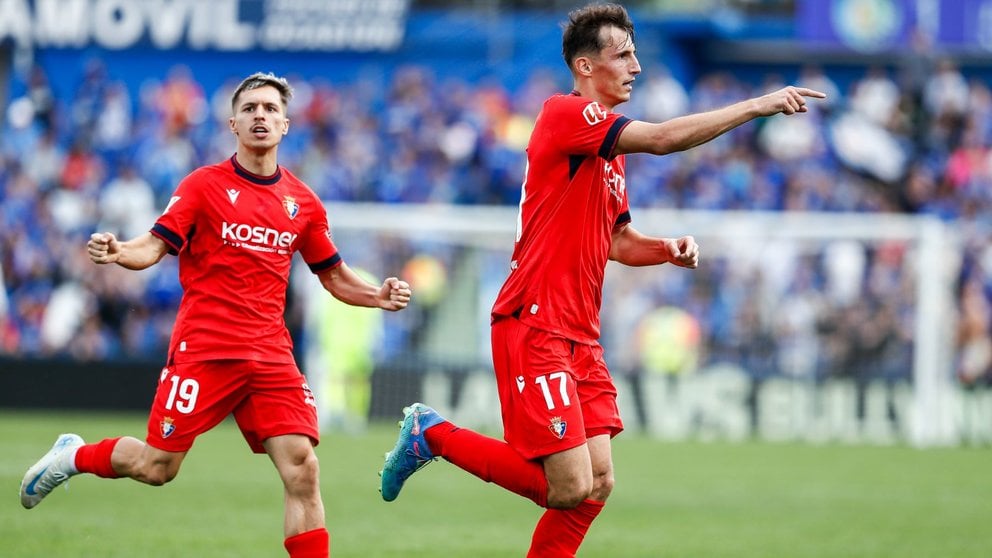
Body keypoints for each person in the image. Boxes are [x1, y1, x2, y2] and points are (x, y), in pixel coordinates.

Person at [378, 4, 824, 557]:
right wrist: (758, 104)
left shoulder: (609, 156)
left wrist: (667, 249)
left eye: (636, 52)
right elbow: (662, 138)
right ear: (586, 66)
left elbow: (617, 242)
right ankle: (431, 434)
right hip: (535, 320)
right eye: (624, 54)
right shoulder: (564, 113)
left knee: (597, 484)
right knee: (567, 486)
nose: (637, 66)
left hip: (579, 333)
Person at [19, 71, 413, 558]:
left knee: (303, 468)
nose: (260, 116)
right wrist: (120, 251)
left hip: (270, 354)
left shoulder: (304, 203)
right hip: (205, 349)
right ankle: (73, 456)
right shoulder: (204, 186)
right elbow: (153, 246)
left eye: (270, 109)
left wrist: (377, 295)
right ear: (233, 124)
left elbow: (332, 274)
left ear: (287, 124)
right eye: (250, 109)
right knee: (157, 467)